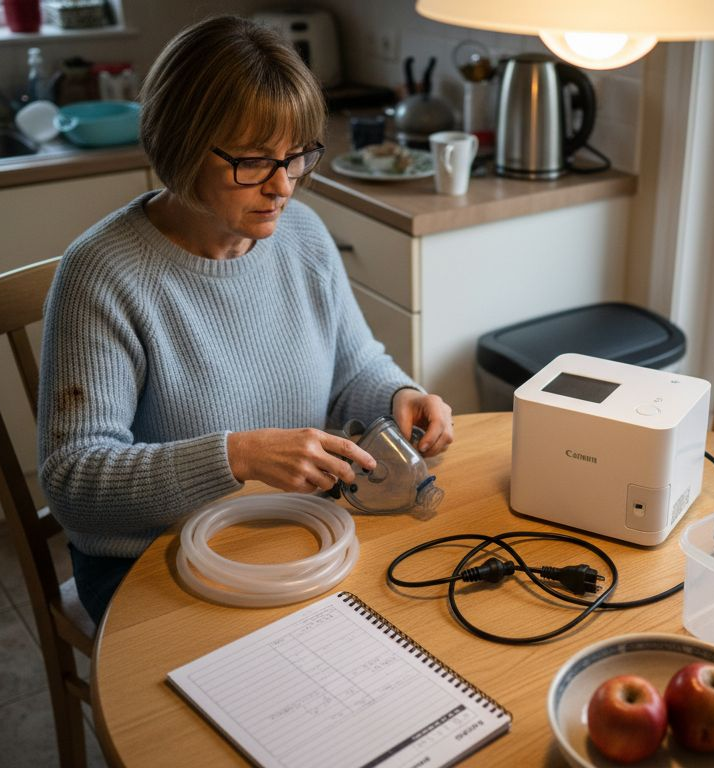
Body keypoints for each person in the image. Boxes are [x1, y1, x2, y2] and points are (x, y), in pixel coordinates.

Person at [37, 15, 453, 624]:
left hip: (295, 531)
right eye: (254, 161)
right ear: (181, 145)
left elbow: (354, 365)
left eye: (297, 156)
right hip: (152, 563)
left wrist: (401, 394)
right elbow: (74, 481)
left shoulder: (304, 236)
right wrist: (234, 457)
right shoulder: (100, 275)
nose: (283, 185)